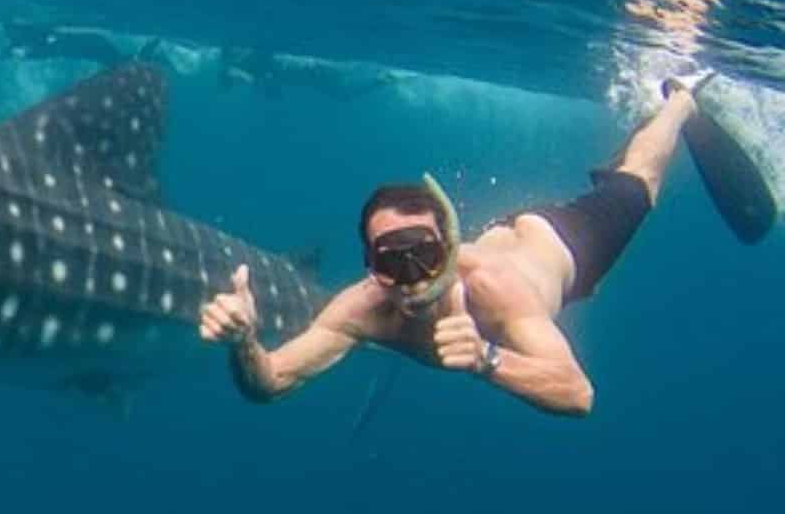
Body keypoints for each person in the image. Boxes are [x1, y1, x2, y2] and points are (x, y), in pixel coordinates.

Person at [197, 79, 713, 416]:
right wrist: (244, 342)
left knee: (635, 183)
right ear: (370, 269)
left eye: (425, 254)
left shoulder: (495, 293)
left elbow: (579, 394)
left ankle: (679, 102)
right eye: (391, 261)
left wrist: (487, 359)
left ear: (448, 248)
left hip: (564, 247)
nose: (414, 277)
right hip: (501, 237)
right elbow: (270, 383)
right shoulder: (361, 310)